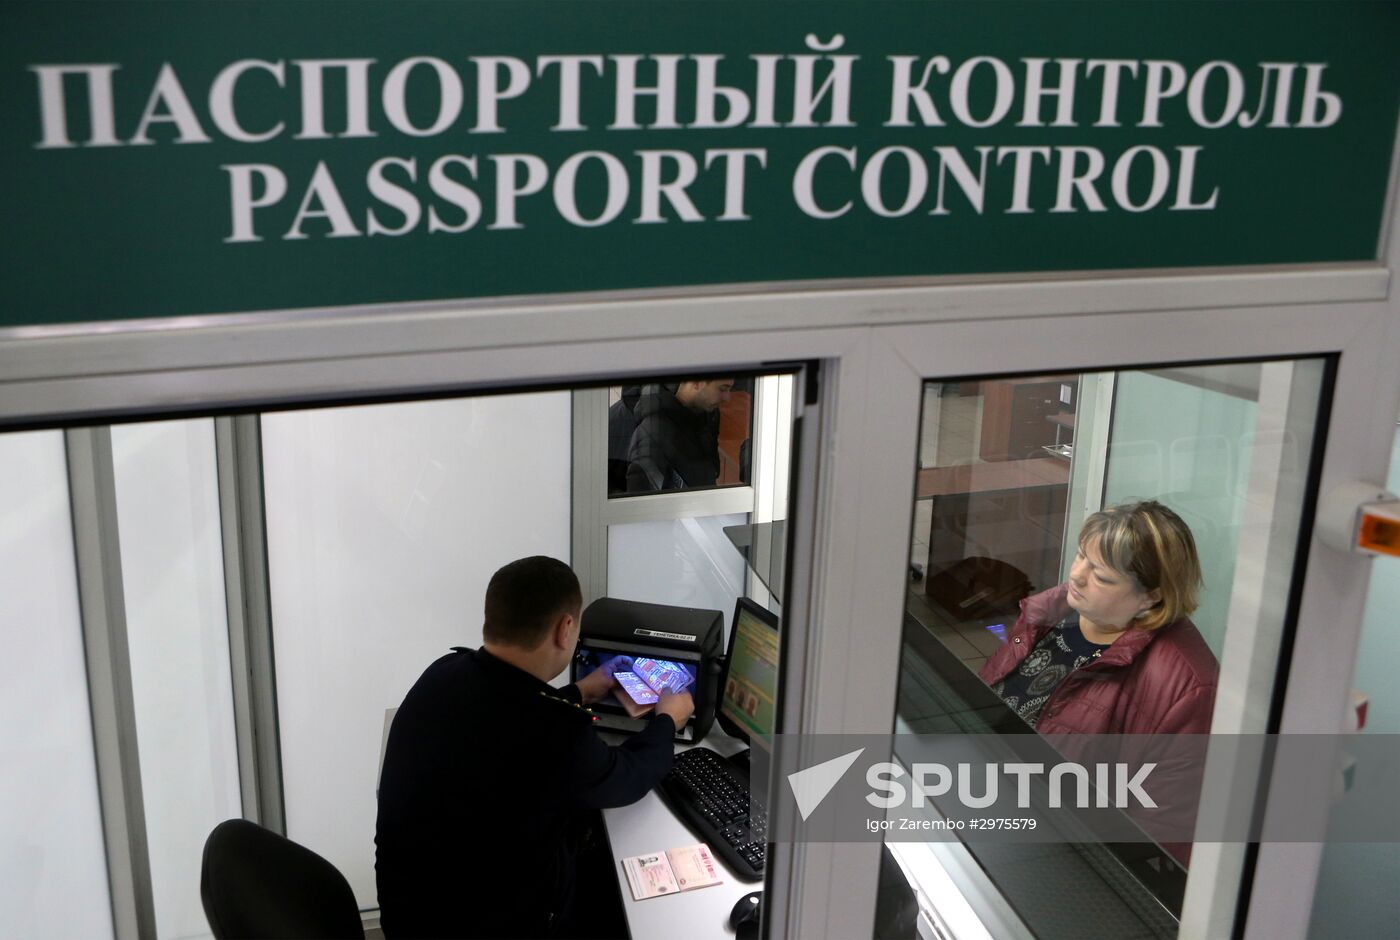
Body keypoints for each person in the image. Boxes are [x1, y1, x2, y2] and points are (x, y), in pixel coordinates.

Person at [375, 556, 695, 939]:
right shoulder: (558, 734)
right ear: (565, 629)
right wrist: (666, 720)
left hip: (413, 914)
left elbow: (504, 710)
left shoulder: (442, 672)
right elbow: (626, 777)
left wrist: (580, 691)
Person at [979, 500, 1218, 861]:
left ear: (1151, 595)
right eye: (1080, 557)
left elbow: (1161, 836)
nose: (1076, 576)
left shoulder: (1191, 687)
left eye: (1102, 576)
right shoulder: (1048, 614)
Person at [625, 379, 734, 492]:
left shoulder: (707, 415)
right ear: (696, 382)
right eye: (722, 389)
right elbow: (643, 506)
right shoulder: (651, 437)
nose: (727, 398)